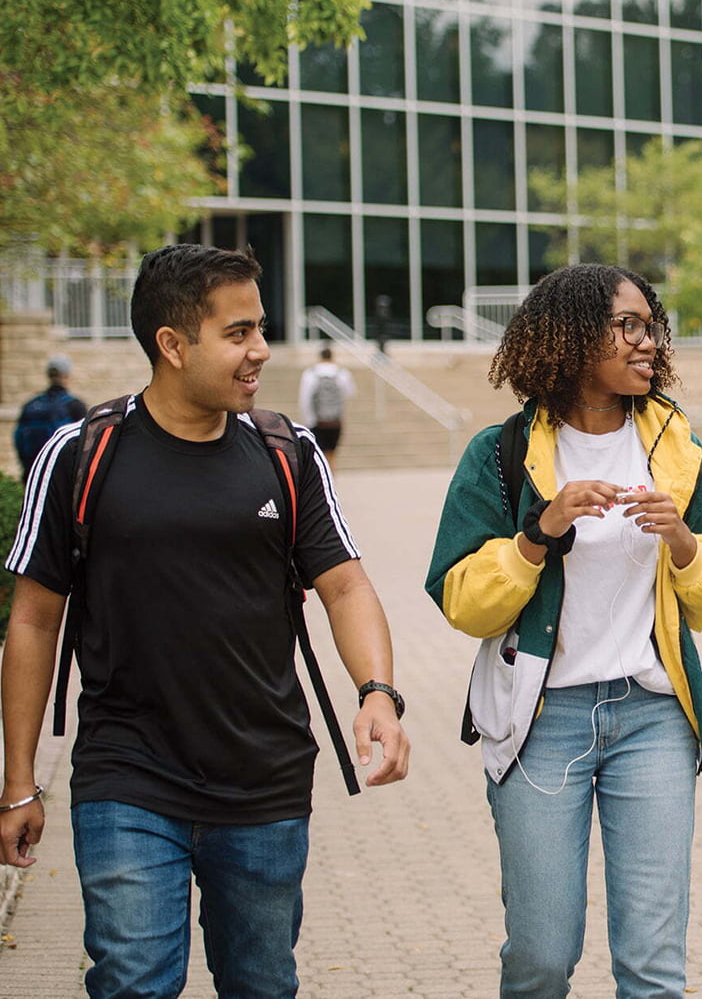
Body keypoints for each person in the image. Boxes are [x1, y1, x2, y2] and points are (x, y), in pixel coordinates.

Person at [1, 243, 410, 998]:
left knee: (259, 983)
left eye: (260, 328)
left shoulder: (287, 453)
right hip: (127, 773)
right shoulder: (81, 454)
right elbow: (32, 621)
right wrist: (19, 783)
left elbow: (346, 586)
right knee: (132, 982)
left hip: (264, 780)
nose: (260, 350)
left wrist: (378, 695)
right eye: (239, 333)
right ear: (173, 343)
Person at [424, 264, 702, 999]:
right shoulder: (501, 454)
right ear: (570, 340)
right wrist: (539, 533)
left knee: (653, 963)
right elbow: (461, 601)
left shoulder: (675, 445)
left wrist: (686, 544)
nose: (647, 342)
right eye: (626, 326)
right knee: (541, 956)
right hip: (544, 721)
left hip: (653, 717)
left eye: (648, 325)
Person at [12, 353, 87, 476]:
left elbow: (18, 438)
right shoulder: (74, 405)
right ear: (67, 375)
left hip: (32, 471)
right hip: (61, 474)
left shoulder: (30, 405)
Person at [298, 345, 355, 469]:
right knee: (332, 454)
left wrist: (308, 420)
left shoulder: (310, 373)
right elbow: (350, 392)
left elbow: (305, 399)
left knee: (319, 455)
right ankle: (332, 479)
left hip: (317, 421)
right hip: (335, 421)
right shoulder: (342, 373)